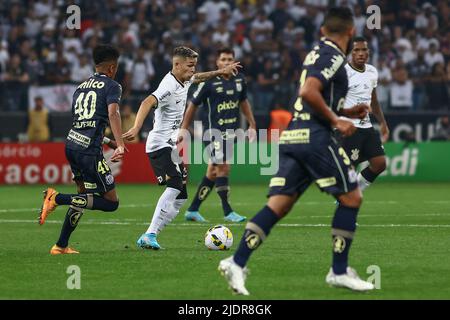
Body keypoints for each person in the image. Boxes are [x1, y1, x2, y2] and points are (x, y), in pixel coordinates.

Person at [218, 7, 375, 295]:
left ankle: (236, 262)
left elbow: (317, 95)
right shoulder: (333, 56)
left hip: (293, 135)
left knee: (278, 205)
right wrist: (336, 119)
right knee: (352, 196)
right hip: (314, 137)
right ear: (351, 32)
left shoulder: (316, 52)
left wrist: (347, 109)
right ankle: (338, 271)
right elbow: (308, 93)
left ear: (322, 30)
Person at [122, 46, 241, 250]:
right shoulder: (168, 85)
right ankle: (149, 233)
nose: (193, 70)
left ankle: (151, 235)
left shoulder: (184, 79)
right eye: (189, 66)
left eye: (194, 65)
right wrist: (136, 127)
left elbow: (199, 77)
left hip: (170, 144)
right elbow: (146, 102)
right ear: (176, 64)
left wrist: (220, 72)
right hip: (158, 144)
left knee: (180, 197)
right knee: (175, 185)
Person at [38, 44, 126, 255]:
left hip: (72, 145)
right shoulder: (113, 86)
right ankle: (56, 198)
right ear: (112, 68)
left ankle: (60, 245)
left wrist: (107, 141)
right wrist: (120, 142)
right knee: (111, 203)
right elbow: (113, 114)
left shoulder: (80, 87)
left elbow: (84, 122)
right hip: (88, 152)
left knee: (84, 196)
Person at [181, 47, 257, 223]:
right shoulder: (208, 82)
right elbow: (192, 105)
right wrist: (184, 128)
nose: (227, 62)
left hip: (231, 133)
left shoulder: (239, 80)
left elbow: (244, 102)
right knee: (223, 167)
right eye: (223, 59)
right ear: (217, 62)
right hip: (212, 132)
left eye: (230, 59)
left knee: (213, 172)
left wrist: (252, 124)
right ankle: (228, 211)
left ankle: (193, 210)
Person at [339, 36, 389, 193]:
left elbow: (373, 100)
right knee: (349, 172)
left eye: (364, 50)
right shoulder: (343, 73)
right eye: (356, 50)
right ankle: (346, 206)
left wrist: (382, 123)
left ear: (368, 52)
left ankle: (354, 193)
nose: (361, 53)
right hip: (349, 128)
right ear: (350, 53)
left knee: (380, 163)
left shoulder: (372, 71)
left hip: (367, 127)